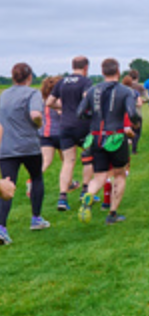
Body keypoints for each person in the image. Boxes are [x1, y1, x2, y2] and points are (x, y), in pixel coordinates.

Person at [76, 58, 140, 225]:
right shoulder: (125, 91)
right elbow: (132, 113)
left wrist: (94, 117)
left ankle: (88, 195)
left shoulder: (92, 91)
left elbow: (80, 113)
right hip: (116, 136)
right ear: (118, 71)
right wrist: (136, 123)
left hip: (96, 136)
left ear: (103, 72)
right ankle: (112, 214)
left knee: (99, 176)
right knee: (119, 174)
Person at [0, 63, 48, 245]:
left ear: (13, 77)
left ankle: (1, 228)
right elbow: (36, 113)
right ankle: (36, 218)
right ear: (29, 78)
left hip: (6, 147)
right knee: (36, 178)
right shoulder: (32, 93)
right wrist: (38, 123)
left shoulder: (4, 95)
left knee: (6, 185)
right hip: (29, 146)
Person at [47, 56, 93, 212]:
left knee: (68, 162)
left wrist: (63, 107)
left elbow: (49, 102)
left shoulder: (62, 82)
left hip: (65, 125)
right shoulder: (85, 82)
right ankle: (85, 191)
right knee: (88, 158)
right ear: (86, 67)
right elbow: (88, 99)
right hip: (82, 125)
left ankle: (62, 197)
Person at [39, 76, 63, 174]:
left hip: (45, 134)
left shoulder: (42, 102)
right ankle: (68, 183)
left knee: (46, 161)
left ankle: (33, 181)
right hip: (60, 134)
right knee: (67, 162)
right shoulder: (58, 101)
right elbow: (61, 113)